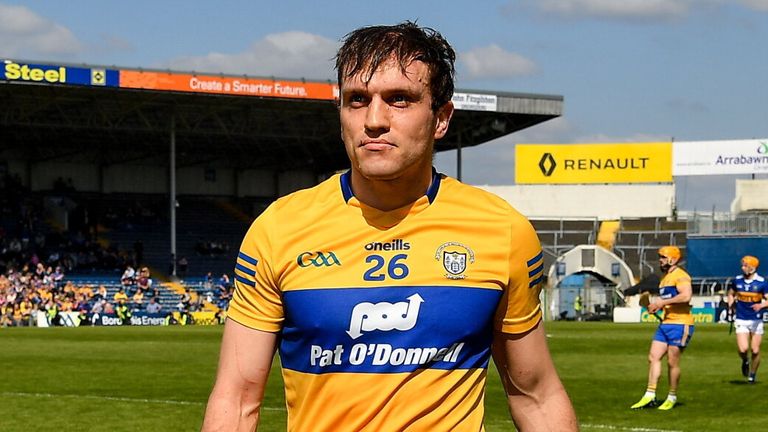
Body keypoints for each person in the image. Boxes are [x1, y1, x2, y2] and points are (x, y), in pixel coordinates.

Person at [202, 22, 577, 431]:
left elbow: (536, 396)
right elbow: (237, 399)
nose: (374, 119)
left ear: (441, 118)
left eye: (400, 99)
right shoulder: (277, 229)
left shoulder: (502, 231)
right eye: (357, 100)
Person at [631, 246, 693, 411]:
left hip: (680, 324)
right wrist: (656, 306)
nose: (660, 260)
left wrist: (662, 303)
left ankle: (672, 396)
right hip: (666, 323)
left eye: (663, 257)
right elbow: (668, 301)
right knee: (653, 357)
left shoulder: (681, 276)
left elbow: (686, 296)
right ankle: (650, 395)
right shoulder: (665, 278)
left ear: (673, 259)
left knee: (672, 362)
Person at [727, 255, 768, 383]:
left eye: (745, 265)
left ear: (752, 268)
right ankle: (745, 360)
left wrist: (761, 305)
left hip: (756, 320)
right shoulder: (737, 281)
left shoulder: (761, 282)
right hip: (741, 318)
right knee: (743, 349)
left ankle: (752, 374)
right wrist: (731, 305)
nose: (742, 268)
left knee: (755, 350)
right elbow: (731, 294)